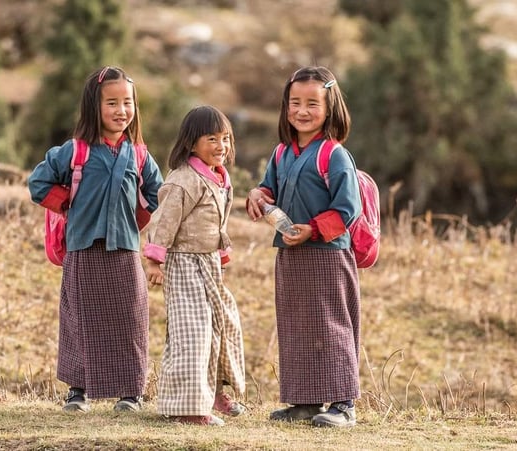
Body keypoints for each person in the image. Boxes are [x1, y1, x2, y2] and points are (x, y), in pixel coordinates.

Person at [28, 66, 163, 413]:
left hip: (125, 249)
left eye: (128, 102)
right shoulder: (75, 151)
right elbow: (38, 184)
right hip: (83, 246)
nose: (122, 111)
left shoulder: (139, 155)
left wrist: (135, 222)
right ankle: (78, 391)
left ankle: (130, 393)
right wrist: (70, 207)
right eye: (112, 103)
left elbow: (157, 194)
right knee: (80, 319)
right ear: (93, 107)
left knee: (131, 319)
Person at [245, 66, 362, 428]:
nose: (302, 111)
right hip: (290, 254)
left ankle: (344, 405)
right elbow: (269, 190)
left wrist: (312, 230)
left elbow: (348, 209)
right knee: (297, 326)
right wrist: (257, 195)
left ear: (330, 108)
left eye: (312, 103)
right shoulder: (282, 153)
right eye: (295, 102)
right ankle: (307, 402)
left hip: (328, 256)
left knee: (332, 326)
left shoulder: (334, 155)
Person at [143, 105, 246, 426]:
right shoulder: (183, 180)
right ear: (191, 144)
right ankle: (187, 407)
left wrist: (222, 255)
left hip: (209, 264)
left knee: (221, 327)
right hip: (184, 263)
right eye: (211, 139)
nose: (221, 146)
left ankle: (212, 392)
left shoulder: (219, 178)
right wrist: (154, 261)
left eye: (226, 139)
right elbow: (164, 221)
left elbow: (217, 222)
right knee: (193, 334)